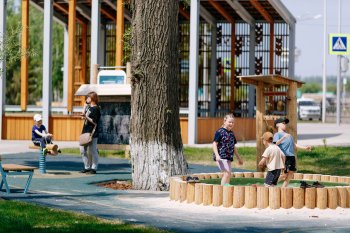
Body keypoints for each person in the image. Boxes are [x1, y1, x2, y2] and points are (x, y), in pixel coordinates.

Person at [274, 118, 311, 187]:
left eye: (285, 123)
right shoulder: (277, 134)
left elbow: (294, 144)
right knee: (284, 174)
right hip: (285, 157)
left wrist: (305, 148)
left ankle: (283, 188)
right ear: (277, 125)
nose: (285, 125)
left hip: (291, 157)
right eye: (283, 123)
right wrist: (283, 137)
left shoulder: (289, 135)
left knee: (290, 174)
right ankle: (270, 184)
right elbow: (276, 143)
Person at [213, 114, 243, 185]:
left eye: (232, 122)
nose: (231, 124)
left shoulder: (231, 133)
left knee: (229, 174)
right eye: (229, 122)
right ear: (224, 121)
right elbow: (214, 144)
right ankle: (222, 190)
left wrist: (239, 158)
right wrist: (217, 155)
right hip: (220, 157)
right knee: (226, 174)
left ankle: (227, 190)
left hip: (228, 157)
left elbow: (234, 147)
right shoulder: (220, 132)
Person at [79, 92, 101, 174]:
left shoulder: (96, 109)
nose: (86, 99)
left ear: (92, 99)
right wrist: (84, 107)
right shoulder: (89, 108)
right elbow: (82, 117)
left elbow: (94, 122)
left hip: (92, 133)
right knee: (82, 150)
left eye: (88, 98)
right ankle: (87, 167)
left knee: (93, 151)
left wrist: (86, 117)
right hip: (85, 132)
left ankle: (94, 168)